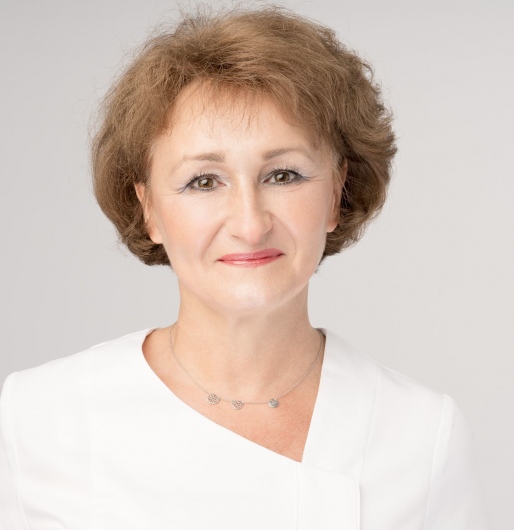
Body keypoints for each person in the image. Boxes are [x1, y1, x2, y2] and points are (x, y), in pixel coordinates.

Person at [0, 5, 487, 529]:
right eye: (204, 182)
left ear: (336, 193)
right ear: (149, 210)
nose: (250, 225)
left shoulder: (422, 434)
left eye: (283, 175)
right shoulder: (38, 419)